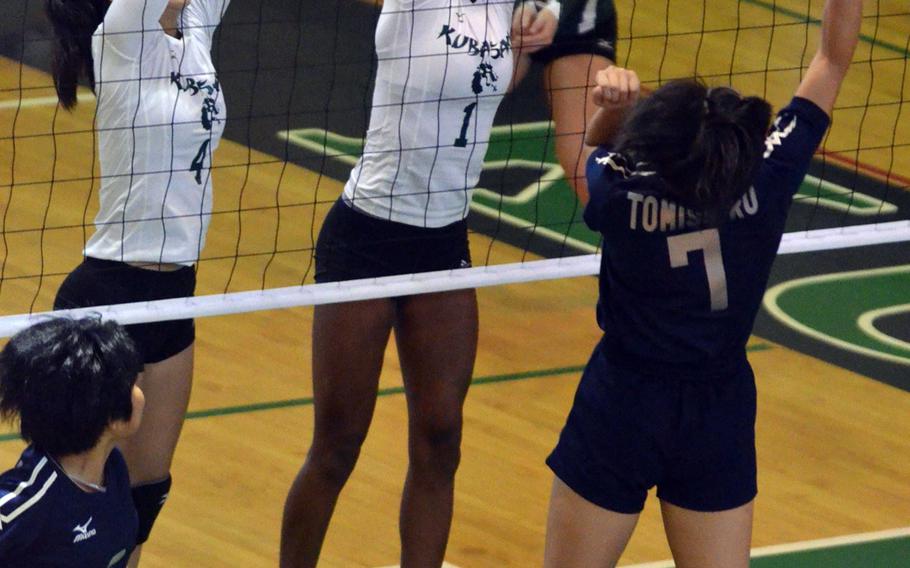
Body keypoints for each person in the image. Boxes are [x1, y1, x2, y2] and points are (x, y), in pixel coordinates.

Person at [543, 1, 862, 566]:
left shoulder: (623, 195)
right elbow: (831, 61)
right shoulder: (766, 178)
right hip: (719, 408)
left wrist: (610, 111)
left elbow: (590, 155)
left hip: (622, 403)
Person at [279, 1, 554, 567]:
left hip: (444, 241)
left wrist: (541, 19)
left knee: (440, 438)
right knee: (337, 445)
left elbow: (480, 94)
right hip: (366, 236)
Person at [43, 0, 230, 563]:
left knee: (141, 505)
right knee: (67, 509)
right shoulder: (121, 32)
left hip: (173, 298)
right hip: (107, 300)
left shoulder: (194, 29)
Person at [0, 317, 145, 568]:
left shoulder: (113, 468)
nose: (140, 391)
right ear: (110, 417)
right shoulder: (24, 506)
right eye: (131, 384)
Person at [512, 0, 618, 204]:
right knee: (455, 110)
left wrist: (556, 8)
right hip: (492, 13)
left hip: (579, 23)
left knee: (589, 172)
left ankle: (629, 234)